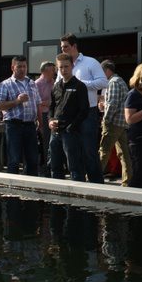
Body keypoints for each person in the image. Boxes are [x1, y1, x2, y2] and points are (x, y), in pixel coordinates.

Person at [59, 33, 108, 183]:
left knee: (89, 151)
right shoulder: (62, 66)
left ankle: (97, 186)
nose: (63, 50)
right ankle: (77, 186)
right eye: (62, 47)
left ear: (74, 46)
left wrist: (80, 84)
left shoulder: (90, 62)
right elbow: (58, 88)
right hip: (69, 116)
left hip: (88, 113)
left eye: (66, 47)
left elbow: (103, 82)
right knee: (72, 153)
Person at [0, 55, 42, 176]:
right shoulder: (5, 85)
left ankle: (32, 184)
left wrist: (41, 123)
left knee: (33, 159)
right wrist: (17, 101)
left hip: (30, 125)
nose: (22, 69)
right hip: (14, 125)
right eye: (19, 67)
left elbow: (38, 104)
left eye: (24, 66)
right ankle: (13, 186)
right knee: (14, 159)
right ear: (12, 67)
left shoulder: (32, 83)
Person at [49, 53, 89, 181]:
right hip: (55, 132)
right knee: (55, 166)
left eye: (66, 66)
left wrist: (71, 127)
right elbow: (51, 107)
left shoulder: (80, 86)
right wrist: (50, 121)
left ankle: (78, 191)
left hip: (70, 132)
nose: (63, 70)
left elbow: (84, 110)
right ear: (57, 68)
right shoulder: (56, 86)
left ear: (72, 66)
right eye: (61, 67)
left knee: (75, 167)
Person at [98, 59, 132, 186]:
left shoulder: (113, 82)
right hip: (121, 122)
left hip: (113, 122)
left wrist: (105, 120)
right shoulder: (120, 81)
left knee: (104, 150)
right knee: (123, 152)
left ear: (107, 70)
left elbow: (112, 104)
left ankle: (94, 178)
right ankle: (128, 180)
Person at [36, 61, 56, 177]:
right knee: (44, 142)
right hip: (42, 115)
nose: (54, 72)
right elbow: (35, 102)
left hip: (52, 115)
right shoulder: (37, 84)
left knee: (51, 143)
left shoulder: (54, 82)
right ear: (44, 71)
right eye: (52, 70)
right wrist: (48, 103)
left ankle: (51, 166)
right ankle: (44, 169)